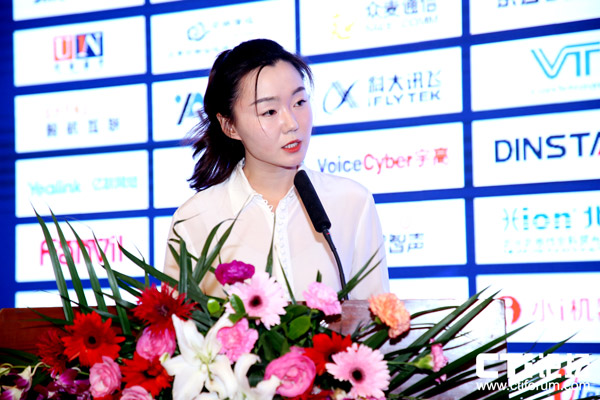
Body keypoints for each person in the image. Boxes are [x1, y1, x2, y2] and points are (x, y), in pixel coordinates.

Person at [164, 38, 389, 300]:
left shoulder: (353, 202)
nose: (292, 123)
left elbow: (375, 317)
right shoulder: (194, 219)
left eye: (299, 102)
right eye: (269, 111)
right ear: (230, 126)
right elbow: (178, 322)